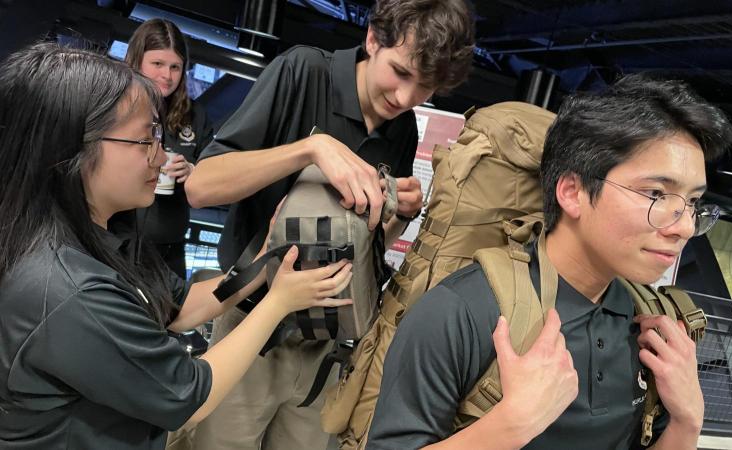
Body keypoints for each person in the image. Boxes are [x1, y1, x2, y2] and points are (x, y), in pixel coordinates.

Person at [0, 42, 352, 450]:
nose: (161, 156)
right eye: (144, 140)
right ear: (71, 148)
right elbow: (187, 394)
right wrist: (279, 303)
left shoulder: (98, 238)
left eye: (158, 135)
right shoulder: (69, 292)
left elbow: (181, 307)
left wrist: (264, 261)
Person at [365, 74, 732, 450]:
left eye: (691, 203)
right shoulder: (462, 312)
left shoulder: (649, 325)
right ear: (572, 192)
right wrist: (510, 426)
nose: (685, 226)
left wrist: (687, 422)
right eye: (656, 193)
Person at [185, 1, 475, 448]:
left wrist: (396, 217)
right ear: (373, 40)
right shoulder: (304, 72)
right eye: (399, 72)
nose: (405, 98)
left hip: (328, 345)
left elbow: (365, 246)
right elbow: (201, 186)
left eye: (426, 87)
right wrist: (310, 148)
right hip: (253, 325)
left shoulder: (402, 130)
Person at [125, 18, 214, 278]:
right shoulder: (115, 103)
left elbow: (215, 172)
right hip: (116, 241)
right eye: (158, 64)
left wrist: (193, 170)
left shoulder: (194, 115)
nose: (167, 75)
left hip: (170, 250)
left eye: (175, 66)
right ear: (137, 59)